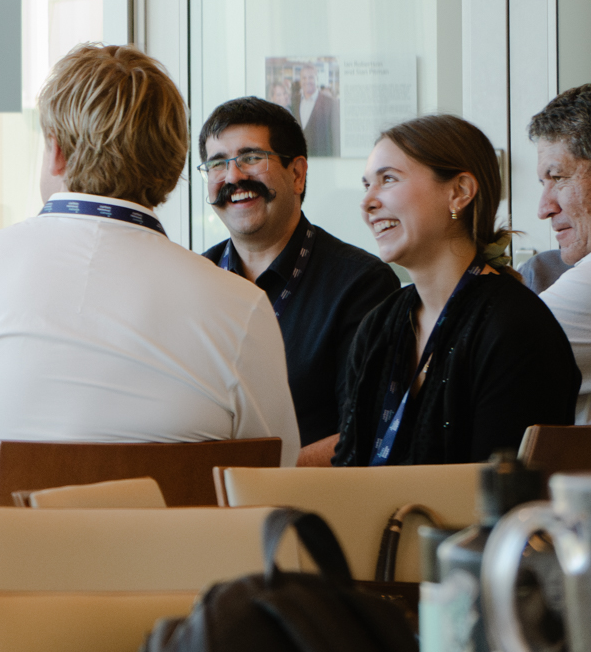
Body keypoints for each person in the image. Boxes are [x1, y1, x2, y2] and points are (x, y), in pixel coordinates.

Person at [0, 44, 299, 652]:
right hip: (159, 625)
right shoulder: (238, 306)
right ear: (168, 167)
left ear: (55, 150)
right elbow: (270, 483)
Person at [335, 114, 579, 466]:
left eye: (388, 179)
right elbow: (347, 467)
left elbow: (502, 500)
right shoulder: (378, 326)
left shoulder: (515, 327)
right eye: (366, 185)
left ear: (459, 192)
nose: (367, 202)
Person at [197, 97, 398, 462]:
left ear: (297, 174)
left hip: (310, 505)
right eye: (217, 164)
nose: (233, 176)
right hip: (202, 501)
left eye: (251, 158)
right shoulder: (194, 279)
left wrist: (258, 480)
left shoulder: (361, 284)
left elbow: (364, 432)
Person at [526, 87, 591, 414]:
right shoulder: (541, 269)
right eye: (543, 183)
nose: (544, 208)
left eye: (558, 177)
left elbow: (469, 365)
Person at [297, 61, 340, 158]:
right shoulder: (294, 101)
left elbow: (335, 138)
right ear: (300, 81)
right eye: (304, 78)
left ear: (317, 79)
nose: (307, 81)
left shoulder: (330, 103)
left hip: (321, 161)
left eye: (311, 77)